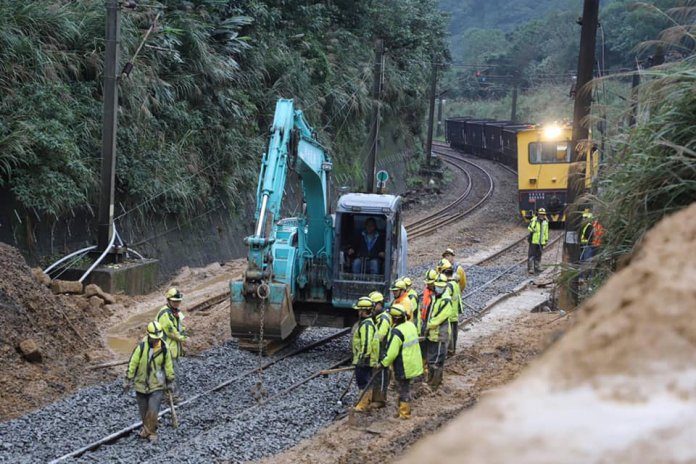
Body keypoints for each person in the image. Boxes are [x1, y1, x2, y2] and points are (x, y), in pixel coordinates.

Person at [122, 321, 175, 443]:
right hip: (141, 385)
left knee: (153, 409)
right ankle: (146, 429)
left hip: (157, 384)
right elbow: (133, 364)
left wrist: (170, 380)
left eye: (158, 338)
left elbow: (168, 365)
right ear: (149, 336)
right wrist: (128, 379)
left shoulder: (164, 349)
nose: (157, 341)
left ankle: (152, 432)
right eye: (154, 338)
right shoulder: (141, 348)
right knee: (144, 411)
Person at [380, 304, 423, 420]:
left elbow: (392, 353)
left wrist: (383, 363)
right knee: (406, 387)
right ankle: (402, 411)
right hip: (414, 363)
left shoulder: (397, 332)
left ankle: (405, 414)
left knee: (403, 389)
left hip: (404, 365)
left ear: (395, 318)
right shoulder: (410, 325)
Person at [156, 287, 188, 398]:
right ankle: (173, 396)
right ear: (169, 300)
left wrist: (183, 332)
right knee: (173, 373)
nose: (176, 303)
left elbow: (180, 327)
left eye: (178, 301)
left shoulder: (175, 312)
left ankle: (166, 394)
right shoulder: (165, 314)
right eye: (174, 301)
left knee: (167, 373)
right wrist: (183, 338)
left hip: (171, 349)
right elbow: (171, 332)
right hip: (166, 350)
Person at [424, 274, 452, 389]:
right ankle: (431, 380)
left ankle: (434, 384)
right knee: (431, 358)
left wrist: (428, 325)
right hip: (433, 334)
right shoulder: (436, 296)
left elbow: (440, 317)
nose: (438, 288)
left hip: (440, 334)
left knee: (437, 360)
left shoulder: (446, 299)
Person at [351, 296, 378, 412]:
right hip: (365, 358)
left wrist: (362, 358)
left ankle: (363, 404)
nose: (358, 312)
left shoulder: (366, 325)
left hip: (364, 358)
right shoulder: (368, 323)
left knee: (363, 381)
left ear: (363, 311)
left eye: (359, 310)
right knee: (365, 380)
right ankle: (366, 401)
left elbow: (366, 343)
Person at [369, 291, 390, 409]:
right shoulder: (376, 317)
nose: (372, 307)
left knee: (381, 374)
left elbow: (380, 337)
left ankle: (381, 400)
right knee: (376, 375)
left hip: (383, 350)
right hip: (378, 350)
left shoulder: (384, 318)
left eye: (373, 304)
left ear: (379, 304)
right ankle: (375, 397)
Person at [437, 259, 462, 356]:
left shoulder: (448, 285)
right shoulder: (455, 283)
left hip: (449, 314)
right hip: (454, 313)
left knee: (449, 334)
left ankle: (449, 352)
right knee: (454, 334)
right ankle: (452, 350)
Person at [527, 208, 549, 274]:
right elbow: (529, 227)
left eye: (543, 214)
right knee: (531, 255)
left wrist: (546, 240)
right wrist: (533, 230)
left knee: (538, 255)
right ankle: (530, 268)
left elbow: (546, 232)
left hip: (541, 242)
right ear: (538, 214)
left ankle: (537, 267)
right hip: (534, 241)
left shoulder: (545, 222)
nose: (542, 216)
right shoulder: (534, 220)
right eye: (541, 214)